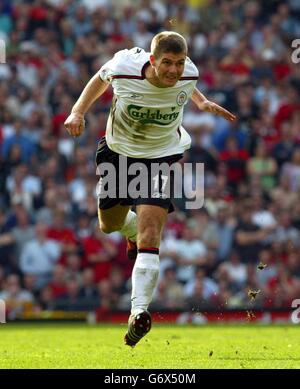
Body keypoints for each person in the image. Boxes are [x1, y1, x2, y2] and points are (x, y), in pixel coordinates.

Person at [64, 31, 235, 347]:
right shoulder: (125, 65)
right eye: (167, 63)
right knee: (108, 225)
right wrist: (78, 111)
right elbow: (99, 78)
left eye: (179, 63)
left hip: (160, 157)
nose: (174, 70)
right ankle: (127, 229)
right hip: (119, 154)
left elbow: (187, 83)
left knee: (151, 233)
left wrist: (201, 101)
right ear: (153, 60)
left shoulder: (189, 72)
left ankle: (138, 312)